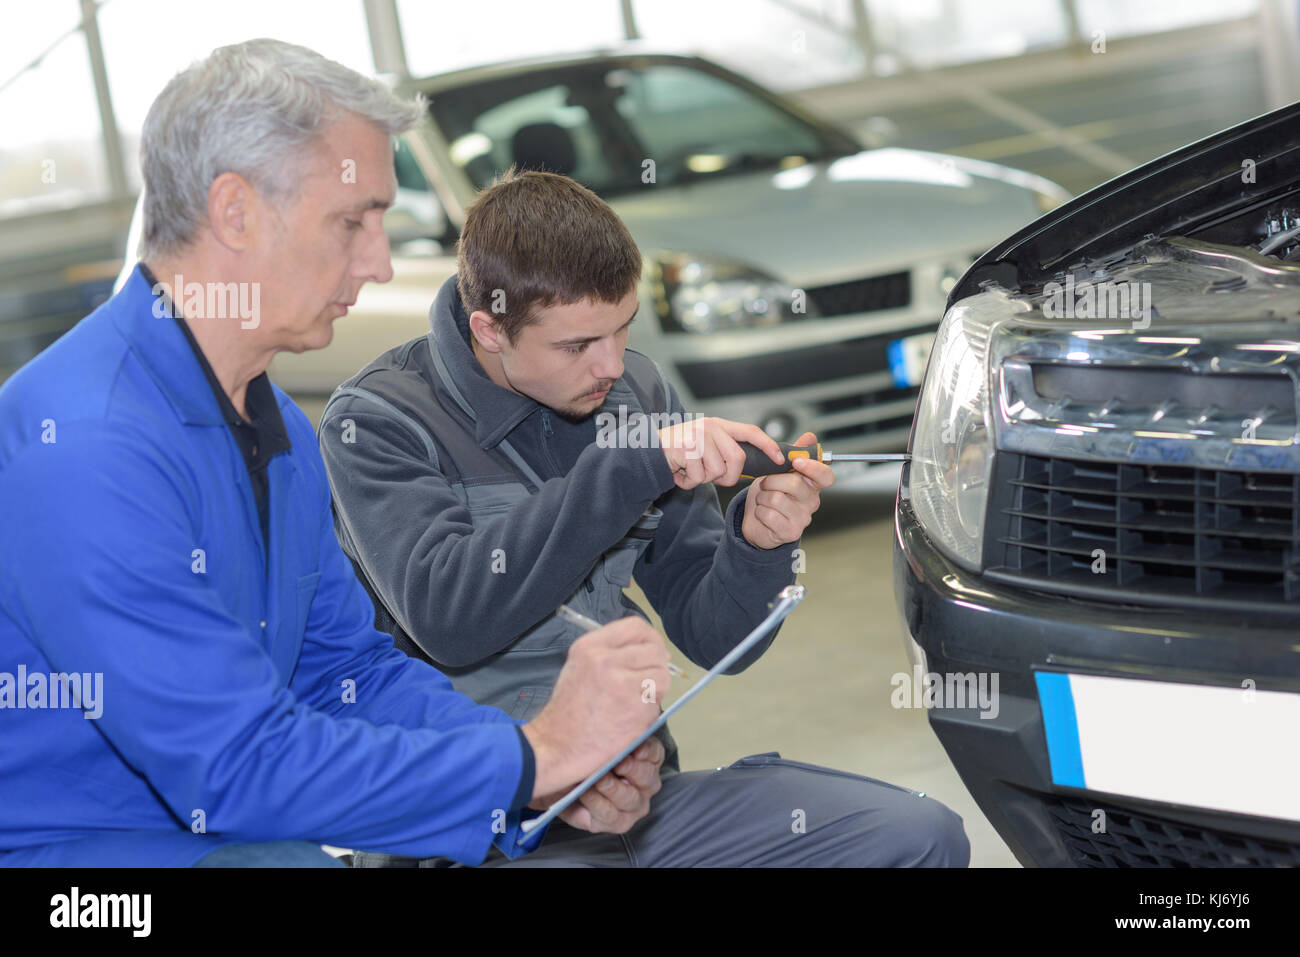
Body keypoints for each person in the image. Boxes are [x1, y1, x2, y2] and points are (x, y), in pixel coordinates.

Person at [0, 40, 671, 868]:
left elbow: (347, 674)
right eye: (353, 220)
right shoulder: (89, 445)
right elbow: (232, 765)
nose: (381, 261)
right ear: (236, 210)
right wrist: (526, 763)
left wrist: (536, 761)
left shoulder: (275, 425)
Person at [318, 168, 971, 867]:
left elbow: (718, 635)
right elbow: (452, 616)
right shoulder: (378, 422)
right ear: (489, 329)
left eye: (622, 330)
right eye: (577, 345)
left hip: (635, 802)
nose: (611, 366)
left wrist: (756, 542)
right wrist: (632, 467)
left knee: (916, 837)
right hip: (479, 832)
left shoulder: (635, 392)